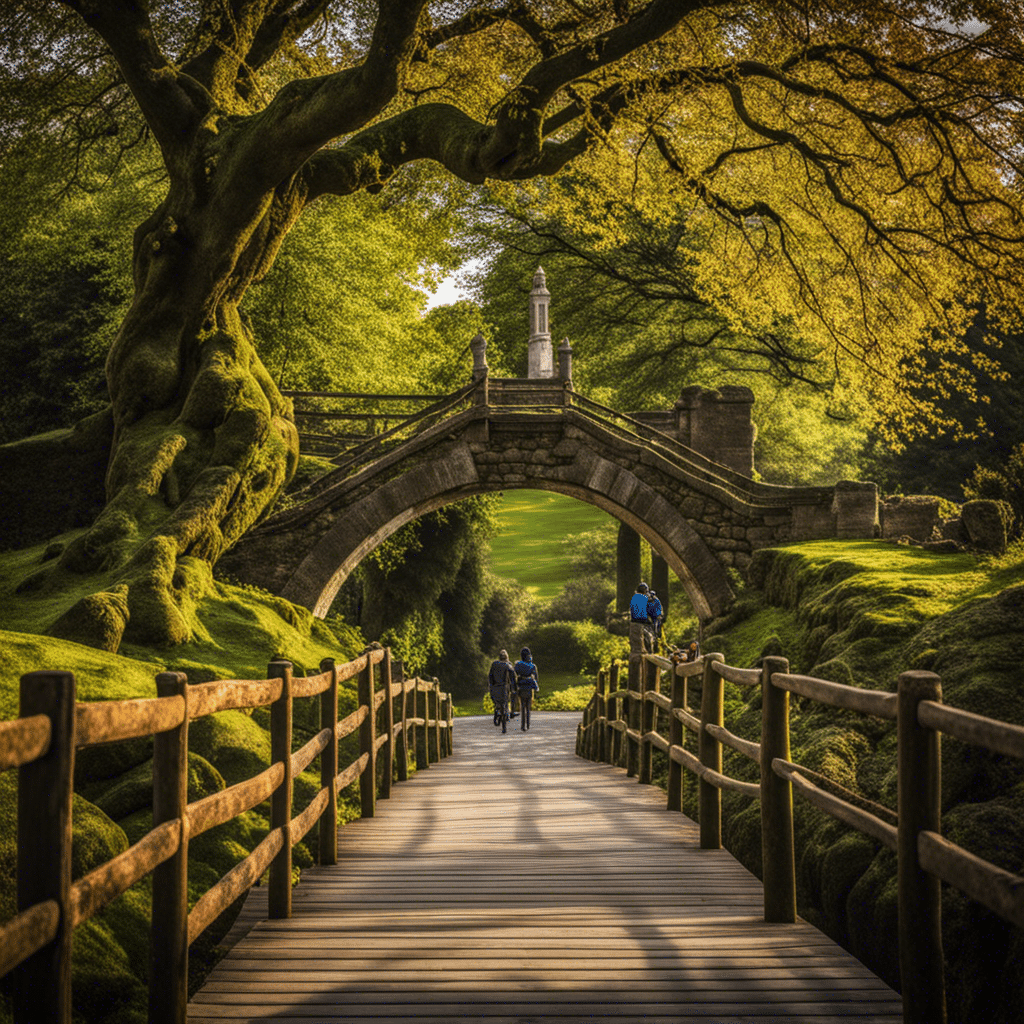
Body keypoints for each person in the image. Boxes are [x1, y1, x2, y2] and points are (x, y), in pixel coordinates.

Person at [487, 649, 515, 733]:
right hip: (503, 688)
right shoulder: (508, 665)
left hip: (495, 688)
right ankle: (504, 725)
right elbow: (513, 677)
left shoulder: (494, 664)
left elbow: (490, 676)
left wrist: (491, 685)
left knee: (497, 703)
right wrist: (513, 688)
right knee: (504, 703)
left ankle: (497, 711)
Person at [513, 647, 540, 731]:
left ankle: (522, 725)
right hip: (529, 688)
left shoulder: (518, 664)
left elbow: (514, 674)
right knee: (528, 707)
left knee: (522, 706)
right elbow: (536, 678)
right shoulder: (532, 665)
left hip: (521, 687)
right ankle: (528, 724)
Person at [628, 582, 654, 656]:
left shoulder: (634, 597)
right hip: (641, 623)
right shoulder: (645, 598)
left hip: (633, 623)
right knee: (648, 639)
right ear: (645, 591)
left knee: (636, 645)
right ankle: (650, 654)